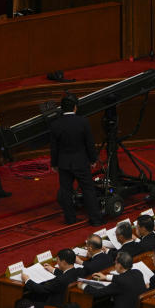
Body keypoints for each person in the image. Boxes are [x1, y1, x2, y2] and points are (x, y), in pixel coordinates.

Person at [49, 93, 103, 225]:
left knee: (66, 192)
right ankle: (95, 220)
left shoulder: (55, 124)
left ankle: (70, 219)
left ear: (61, 108)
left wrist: (54, 164)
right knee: (88, 190)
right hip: (81, 162)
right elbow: (89, 143)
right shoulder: (83, 122)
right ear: (75, 107)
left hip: (64, 163)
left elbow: (54, 147)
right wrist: (93, 159)